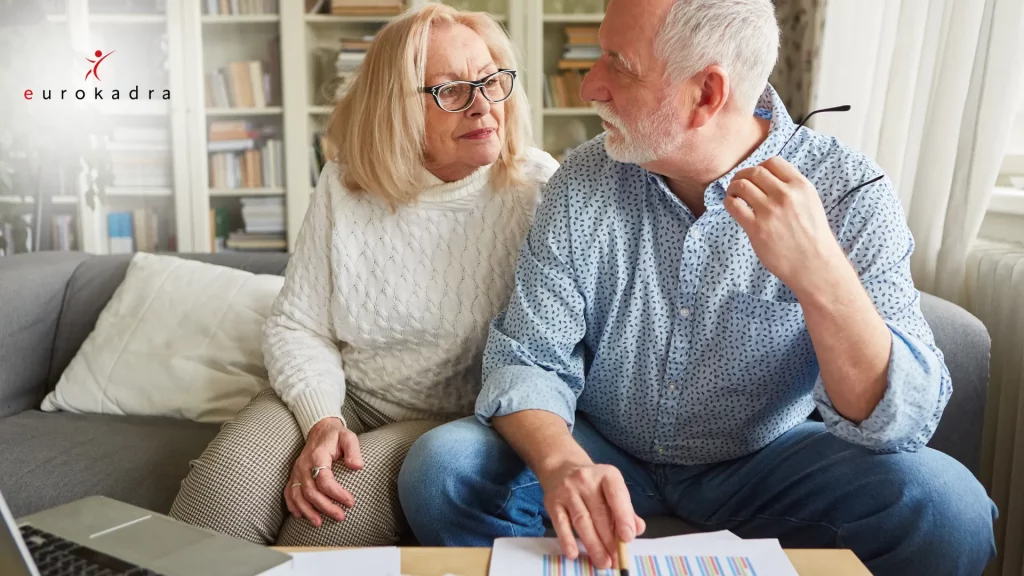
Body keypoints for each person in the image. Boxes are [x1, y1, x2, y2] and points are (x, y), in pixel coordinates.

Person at [397, 0, 998, 574]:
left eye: (619, 66)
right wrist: (561, 464)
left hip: (768, 462)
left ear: (707, 94)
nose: (590, 87)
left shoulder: (848, 192)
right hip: (605, 448)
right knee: (442, 471)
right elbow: (526, 360)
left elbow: (902, 420)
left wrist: (821, 277)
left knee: (949, 512)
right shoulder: (581, 182)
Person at [168, 3, 558, 547]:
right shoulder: (345, 182)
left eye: (491, 80)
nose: (482, 105)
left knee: (321, 522)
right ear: (396, 108)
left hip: (451, 423)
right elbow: (298, 325)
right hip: (347, 396)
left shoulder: (539, 190)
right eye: (449, 90)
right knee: (219, 497)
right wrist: (322, 420)